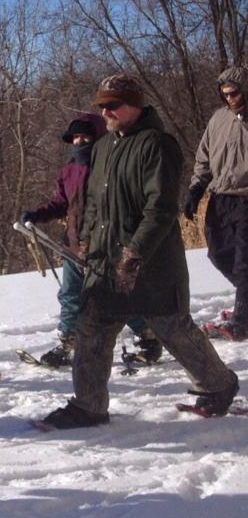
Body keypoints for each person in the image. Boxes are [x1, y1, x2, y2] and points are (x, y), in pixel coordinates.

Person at [40, 74, 240, 429]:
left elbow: (160, 208)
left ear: (134, 103)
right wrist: (86, 241)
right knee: (92, 328)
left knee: (171, 327)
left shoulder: (157, 144)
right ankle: (89, 405)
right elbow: (96, 205)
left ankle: (220, 385)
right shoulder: (103, 147)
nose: (105, 111)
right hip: (104, 259)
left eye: (113, 104)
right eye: (101, 105)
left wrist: (135, 253)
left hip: (151, 262)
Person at [21, 113, 161, 367]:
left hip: (104, 245)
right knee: (70, 295)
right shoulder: (68, 170)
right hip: (73, 244)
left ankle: (149, 335)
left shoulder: (107, 165)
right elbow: (61, 203)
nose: (79, 141)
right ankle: (67, 342)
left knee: (116, 296)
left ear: (97, 137)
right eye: (75, 137)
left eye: (85, 136)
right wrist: (36, 215)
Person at [183, 66, 248, 341]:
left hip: (246, 197)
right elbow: (204, 158)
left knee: (245, 261)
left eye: (234, 93)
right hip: (220, 198)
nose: (229, 98)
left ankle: (242, 320)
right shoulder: (218, 119)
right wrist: (196, 188)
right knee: (219, 254)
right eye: (225, 95)